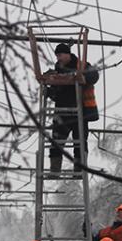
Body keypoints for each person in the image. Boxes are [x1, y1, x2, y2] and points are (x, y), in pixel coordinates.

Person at [41, 42, 99, 172]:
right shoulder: (57, 71)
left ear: (67, 54)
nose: (58, 58)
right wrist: (49, 92)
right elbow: (57, 94)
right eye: (57, 56)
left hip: (81, 112)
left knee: (80, 142)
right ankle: (55, 169)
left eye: (60, 55)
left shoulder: (82, 65)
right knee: (56, 142)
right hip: (62, 112)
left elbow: (94, 75)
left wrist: (81, 77)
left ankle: (79, 169)